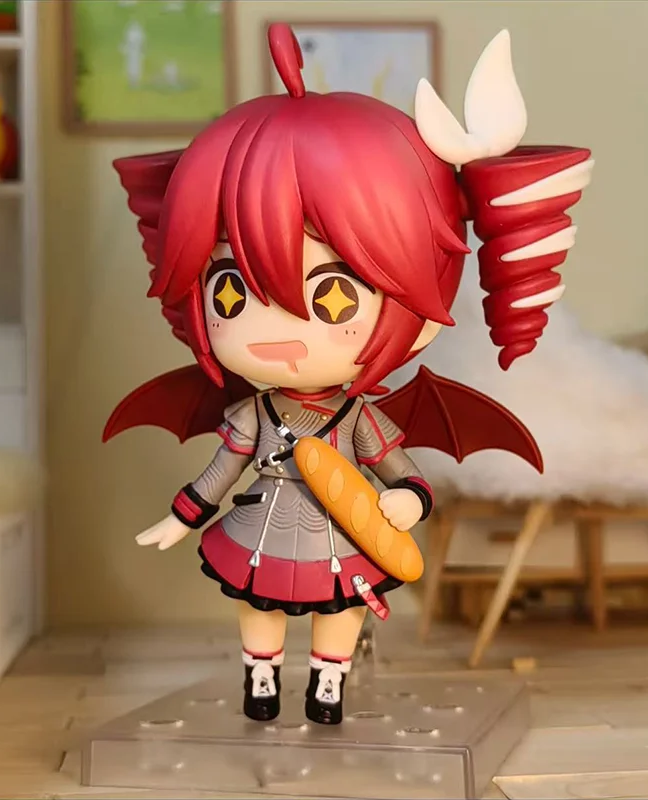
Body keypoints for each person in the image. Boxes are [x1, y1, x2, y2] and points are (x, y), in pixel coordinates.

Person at [107, 24, 592, 725]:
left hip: (341, 538)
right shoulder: (253, 414)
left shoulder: (358, 419)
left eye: (333, 294)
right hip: (261, 529)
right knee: (258, 605)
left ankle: (327, 683)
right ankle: (261, 675)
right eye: (230, 292)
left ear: (419, 312)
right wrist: (181, 518)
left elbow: (404, 473)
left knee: (339, 611)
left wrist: (410, 503)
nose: (277, 328)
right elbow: (219, 473)